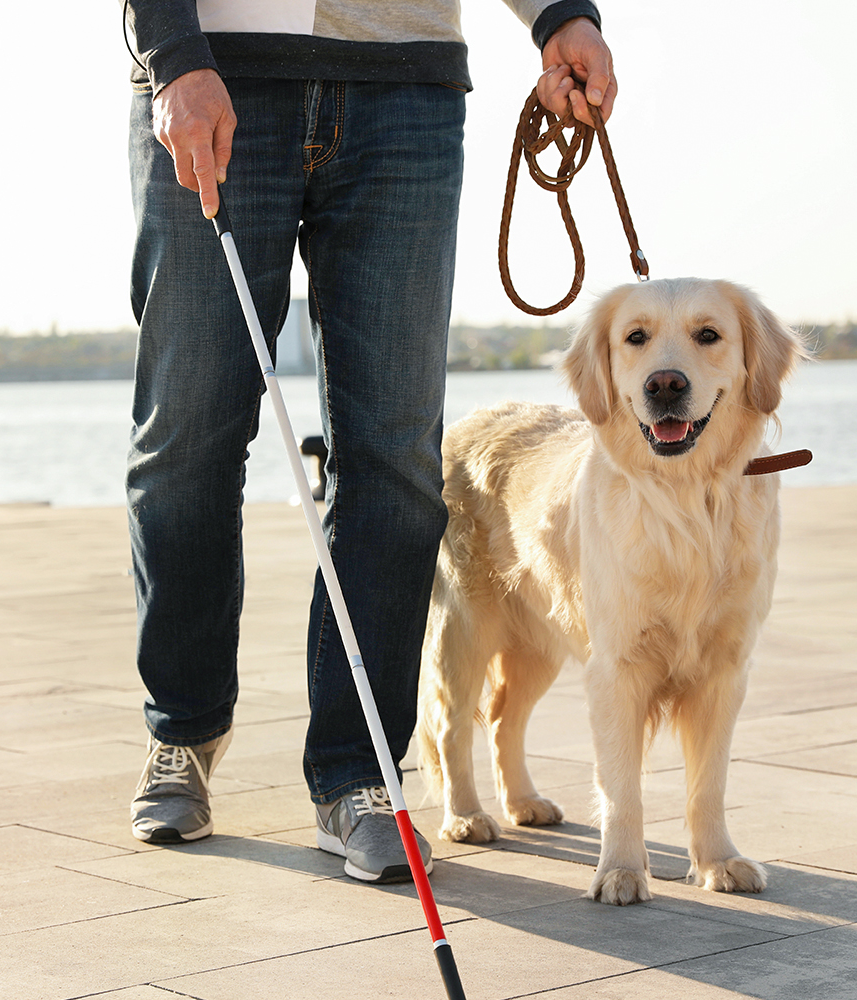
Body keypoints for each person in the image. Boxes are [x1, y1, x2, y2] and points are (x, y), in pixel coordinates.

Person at [123, 0, 617, 883]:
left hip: (407, 93)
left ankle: (359, 777)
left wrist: (557, 17)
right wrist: (170, 51)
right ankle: (184, 733)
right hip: (213, 74)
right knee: (187, 439)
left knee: (393, 461)